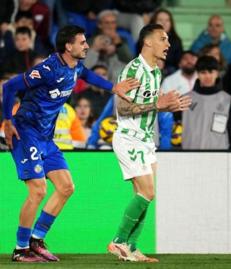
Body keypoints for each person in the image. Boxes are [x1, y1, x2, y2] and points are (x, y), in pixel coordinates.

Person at [2, 25, 139, 262]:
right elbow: (9, 86)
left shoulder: (75, 67)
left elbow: (86, 74)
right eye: (82, 42)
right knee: (38, 190)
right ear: (68, 46)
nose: (87, 46)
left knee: (66, 187)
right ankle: (20, 249)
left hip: (46, 138)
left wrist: (113, 87)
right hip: (26, 132)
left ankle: (36, 241)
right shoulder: (47, 68)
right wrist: (7, 120)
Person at [107, 23, 191, 262]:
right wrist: (158, 104)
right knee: (147, 192)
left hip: (145, 140)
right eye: (163, 39)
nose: (168, 44)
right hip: (129, 137)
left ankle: (131, 247)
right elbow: (122, 107)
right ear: (148, 42)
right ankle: (118, 241)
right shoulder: (134, 70)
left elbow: (152, 106)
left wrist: (169, 106)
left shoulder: (156, 72)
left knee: (145, 195)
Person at [182, 55, 231, 150]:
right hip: (189, 156)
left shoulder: (228, 100)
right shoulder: (184, 99)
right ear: (197, 74)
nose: (207, 76)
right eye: (203, 72)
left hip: (219, 157)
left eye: (211, 72)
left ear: (217, 73)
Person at [150, 8, 184, 76]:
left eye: (167, 20)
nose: (164, 23)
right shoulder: (145, 39)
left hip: (169, 74)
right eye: (160, 20)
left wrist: (164, 65)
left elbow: (178, 64)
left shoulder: (176, 41)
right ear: (154, 22)